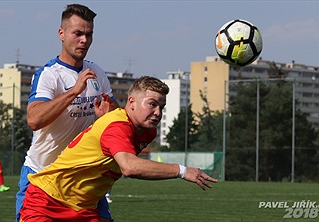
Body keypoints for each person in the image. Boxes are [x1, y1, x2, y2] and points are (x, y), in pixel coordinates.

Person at [19, 76, 218, 221]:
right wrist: (182, 171)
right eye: (152, 104)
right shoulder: (117, 127)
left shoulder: (146, 132)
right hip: (47, 202)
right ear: (131, 102)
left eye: (161, 107)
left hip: (83, 208)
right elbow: (129, 167)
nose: (158, 112)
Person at [15, 4, 118, 222]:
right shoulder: (49, 75)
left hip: (81, 180)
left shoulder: (97, 72)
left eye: (89, 35)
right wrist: (73, 92)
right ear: (61, 34)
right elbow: (34, 119)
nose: (84, 40)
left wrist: (107, 116)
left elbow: (116, 115)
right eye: (78, 33)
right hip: (42, 177)